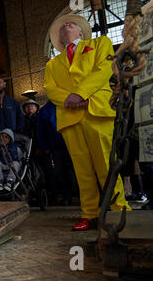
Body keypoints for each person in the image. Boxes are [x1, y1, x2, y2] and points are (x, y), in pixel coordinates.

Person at [44, 14, 131, 231]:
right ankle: (89, 214)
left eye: (71, 23)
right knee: (82, 170)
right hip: (70, 118)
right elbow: (50, 88)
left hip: (96, 111)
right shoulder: (52, 64)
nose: (66, 24)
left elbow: (104, 69)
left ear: (81, 33)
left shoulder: (100, 43)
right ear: (59, 39)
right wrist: (68, 99)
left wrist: (80, 94)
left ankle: (119, 209)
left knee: (106, 163)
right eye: (62, 25)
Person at [37, 100, 79, 206]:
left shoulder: (69, 104)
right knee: (61, 172)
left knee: (77, 171)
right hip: (56, 147)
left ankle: (82, 196)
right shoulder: (44, 111)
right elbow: (40, 131)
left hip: (73, 144)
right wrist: (45, 146)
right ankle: (66, 196)